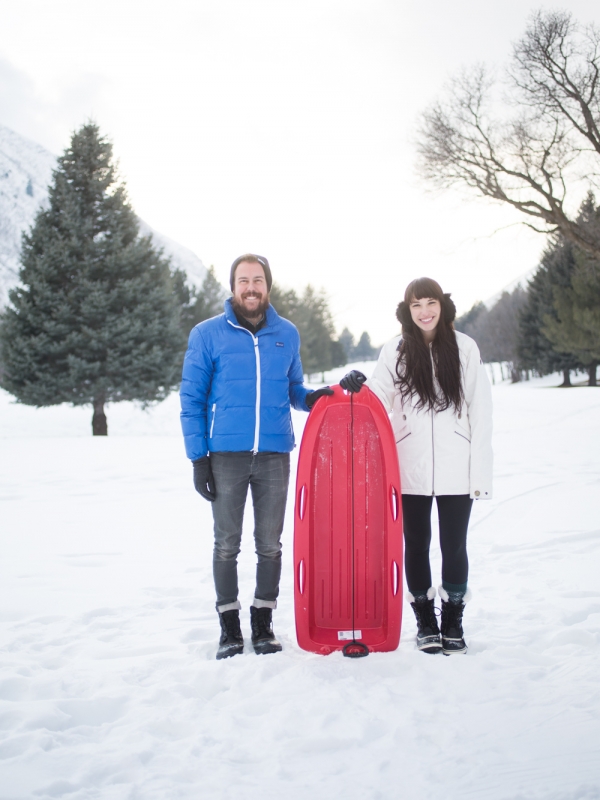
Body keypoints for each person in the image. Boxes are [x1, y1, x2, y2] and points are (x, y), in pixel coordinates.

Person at [180, 254, 332, 660]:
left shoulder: (287, 333)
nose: (251, 287)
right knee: (226, 544)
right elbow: (191, 400)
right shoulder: (207, 334)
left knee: (270, 544)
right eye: (244, 280)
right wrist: (199, 459)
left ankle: (262, 623)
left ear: (268, 286)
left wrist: (313, 398)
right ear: (233, 287)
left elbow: (293, 388)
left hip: (273, 456)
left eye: (258, 280)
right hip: (225, 456)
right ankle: (229, 626)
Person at [340, 277, 492, 655]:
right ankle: (425, 621)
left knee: (454, 545)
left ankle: (452, 621)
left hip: (458, 464)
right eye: (416, 305)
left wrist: (480, 473)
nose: (424, 311)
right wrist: (356, 385)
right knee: (417, 544)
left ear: (442, 305)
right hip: (409, 467)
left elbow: (481, 411)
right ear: (407, 310)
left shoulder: (464, 348)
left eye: (430, 302)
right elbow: (379, 393)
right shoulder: (396, 350)